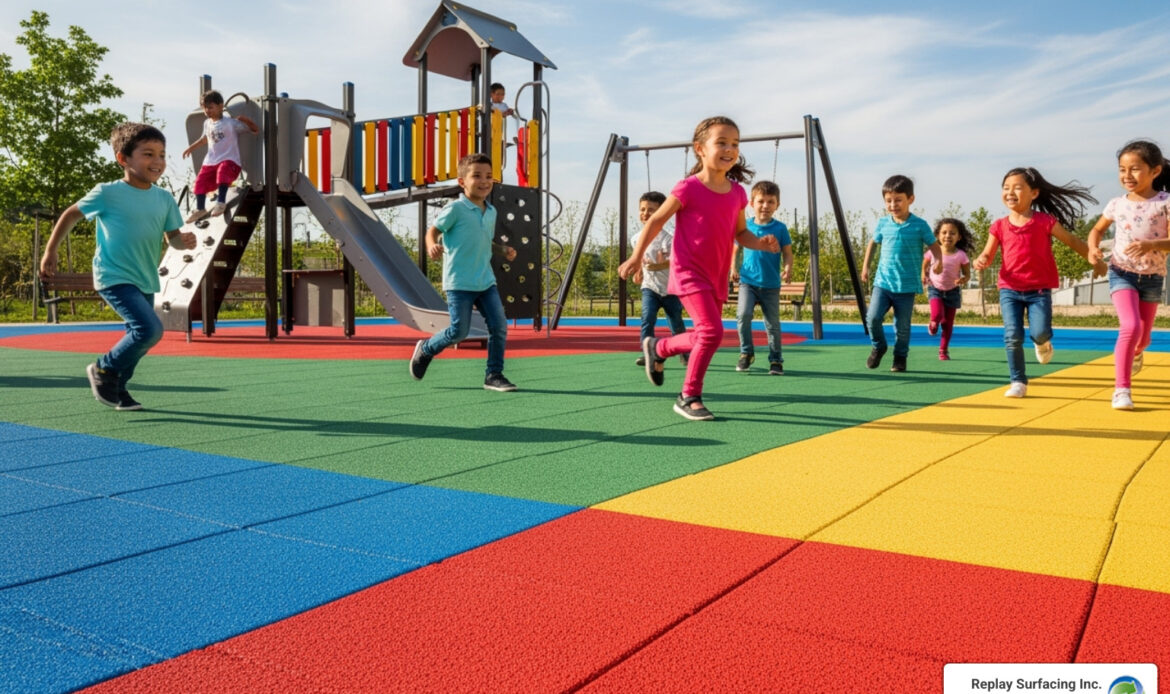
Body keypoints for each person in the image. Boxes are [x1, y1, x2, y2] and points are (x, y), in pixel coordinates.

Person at [618, 116, 780, 421]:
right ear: (700, 149)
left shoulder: (737, 193)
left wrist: (761, 243)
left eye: (734, 144)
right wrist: (637, 257)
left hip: (716, 275)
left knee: (707, 334)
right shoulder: (688, 188)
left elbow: (740, 232)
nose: (730, 149)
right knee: (711, 331)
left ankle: (659, 347)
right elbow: (655, 221)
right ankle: (688, 395)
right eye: (721, 142)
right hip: (689, 272)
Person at [39, 122, 195, 410]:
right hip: (113, 275)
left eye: (161, 155)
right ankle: (103, 370)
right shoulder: (107, 193)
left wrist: (183, 241)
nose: (157, 161)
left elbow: (172, 239)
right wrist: (51, 251)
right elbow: (70, 215)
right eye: (148, 154)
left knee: (139, 338)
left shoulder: (164, 199)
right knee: (149, 330)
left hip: (145, 278)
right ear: (123, 159)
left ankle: (119, 390)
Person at [973, 167, 1107, 398]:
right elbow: (988, 252)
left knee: (1040, 332)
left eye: (1017, 187)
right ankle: (1018, 381)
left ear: (1034, 193)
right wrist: (982, 259)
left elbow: (1072, 241)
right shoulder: (999, 225)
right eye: (1006, 188)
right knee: (1012, 335)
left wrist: (1094, 259)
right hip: (1009, 289)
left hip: (1039, 290)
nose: (1010, 192)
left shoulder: (1045, 221)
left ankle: (1043, 343)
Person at [409, 153, 518, 392]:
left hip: (486, 281)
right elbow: (433, 232)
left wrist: (502, 250)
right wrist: (431, 246)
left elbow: (484, 240)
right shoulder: (456, 209)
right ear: (462, 182)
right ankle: (426, 349)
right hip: (459, 282)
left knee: (499, 327)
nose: (484, 181)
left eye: (488, 176)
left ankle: (494, 374)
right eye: (476, 176)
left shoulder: (491, 211)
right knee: (459, 331)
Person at [1086, 140, 1170, 410]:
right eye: (1122, 169)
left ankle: (1136, 351)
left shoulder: (1165, 203)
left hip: (1153, 276)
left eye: (1135, 169)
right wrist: (1092, 249)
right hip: (1121, 272)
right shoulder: (1116, 204)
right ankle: (1121, 389)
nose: (1127, 175)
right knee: (1130, 327)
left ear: (1155, 171)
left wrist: (1152, 245)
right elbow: (1097, 230)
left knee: (1143, 337)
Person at [861, 175, 942, 372]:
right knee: (872, 318)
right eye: (888, 201)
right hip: (883, 282)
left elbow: (934, 245)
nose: (893, 205)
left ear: (910, 199)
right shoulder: (883, 224)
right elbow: (872, 243)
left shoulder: (919, 225)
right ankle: (879, 347)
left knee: (902, 326)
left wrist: (938, 261)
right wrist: (866, 266)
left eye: (898, 200)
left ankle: (900, 357)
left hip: (906, 286)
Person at [733, 180, 793, 375]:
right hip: (747, 282)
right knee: (743, 315)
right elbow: (735, 249)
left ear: (777, 205)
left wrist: (788, 267)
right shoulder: (745, 227)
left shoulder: (780, 228)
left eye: (770, 202)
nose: (765, 206)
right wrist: (732, 268)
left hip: (770, 284)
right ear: (751, 203)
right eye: (761, 201)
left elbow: (787, 253)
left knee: (772, 324)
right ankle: (746, 353)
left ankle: (776, 360)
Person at [181, 90, 258, 223]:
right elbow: (204, 139)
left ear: (221, 106)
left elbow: (255, 130)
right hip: (211, 161)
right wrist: (191, 148)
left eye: (210, 107)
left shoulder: (230, 123)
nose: (207, 110)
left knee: (223, 173)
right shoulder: (207, 123)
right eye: (204, 108)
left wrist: (246, 120)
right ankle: (200, 208)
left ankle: (221, 202)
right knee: (199, 183)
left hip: (230, 160)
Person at [631, 191, 688, 367]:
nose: (645, 213)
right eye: (642, 209)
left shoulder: (668, 238)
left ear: (663, 212)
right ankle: (647, 353)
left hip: (670, 288)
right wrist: (638, 270)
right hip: (650, 287)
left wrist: (658, 266)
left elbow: (675, 262)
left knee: (676, 322)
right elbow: (639, 257)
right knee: (647, 318)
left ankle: (683, 351)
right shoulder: (636, 238)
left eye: (651, 210)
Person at [921, 217, 972, 361]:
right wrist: (923, 275)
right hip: (935, 288)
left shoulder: (961, 255)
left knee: (947, 324)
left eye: (952, 233)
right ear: (937, 235)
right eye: (944, 232)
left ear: (959, 237)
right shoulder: (933, 251)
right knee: (937, 315)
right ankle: (932, 323)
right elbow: (924, 264)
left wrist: (963, 279)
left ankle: (943, 350)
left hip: (952, 291)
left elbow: (967, 274)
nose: (948, 236)